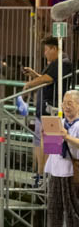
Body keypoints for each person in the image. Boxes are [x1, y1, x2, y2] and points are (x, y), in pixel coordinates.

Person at [23, 37, 73, 175]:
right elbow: (47, 79)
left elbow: (48, 79)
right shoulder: (55, 63)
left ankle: (48, 176)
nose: (44, 53)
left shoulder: (63, 63)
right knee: (39, 140)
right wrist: (34, 75)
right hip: (43, 109)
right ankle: (40, 174)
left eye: (46, 50)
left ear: (54, 48)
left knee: (50, 143)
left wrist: (29, 84)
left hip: (52, 109)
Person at [44, 90, 79, 227]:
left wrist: (67, 136)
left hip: (71, 170)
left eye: (70, 103)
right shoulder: (59, 122)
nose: (66, 106)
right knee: (54, 204)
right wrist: (48, 136)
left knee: (72, 206)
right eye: (64, 103)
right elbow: (51, 148)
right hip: (56, 167)